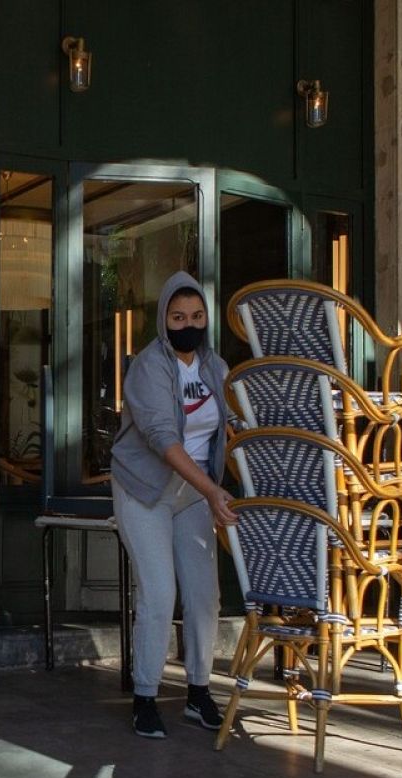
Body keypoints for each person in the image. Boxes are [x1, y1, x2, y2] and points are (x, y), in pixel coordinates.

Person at [110, 271, 238, 739]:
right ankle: (145, 696)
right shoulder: (148, 367)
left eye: (197, 316)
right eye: (179, 317)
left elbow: (234, 426)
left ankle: (199, 693)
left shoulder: (216, 368)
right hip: (144, 490)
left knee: (204, 595)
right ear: (164, 319)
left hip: (193, 493)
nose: (189, 325)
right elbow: (163, 438)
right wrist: (212, 490)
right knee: (160, 593)